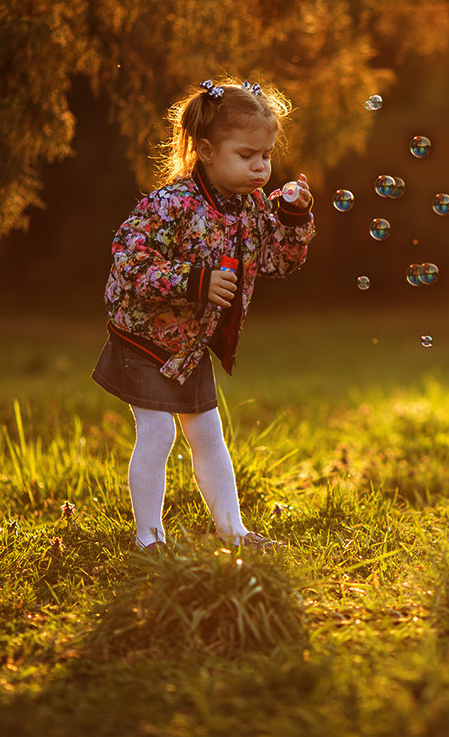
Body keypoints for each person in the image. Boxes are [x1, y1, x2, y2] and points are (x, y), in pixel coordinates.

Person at [91, 76, 314, 551]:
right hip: (145, 337)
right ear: (208, 151)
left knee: (209, 436)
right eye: (247, 155)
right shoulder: (171, 204)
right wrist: (196, 282)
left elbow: (277, 261)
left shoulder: (252, 208)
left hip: (188, 346)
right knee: (156, 434)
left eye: (266, 156)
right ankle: (149, 539)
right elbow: (128, 260)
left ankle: (233, 533)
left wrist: (294, 219)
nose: (261, 167)